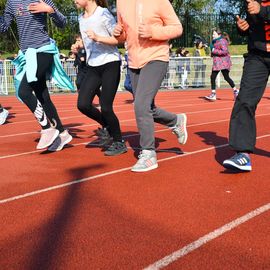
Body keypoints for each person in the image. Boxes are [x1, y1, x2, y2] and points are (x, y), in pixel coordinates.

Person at [113, 0, 188, 172]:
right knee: (147, 107)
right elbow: (123, 35)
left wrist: (152, 31)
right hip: (133, 61)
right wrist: (118, 33)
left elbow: (177, 28)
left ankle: (148, 153)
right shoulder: (121, 2)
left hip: (156, 57)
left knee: (140, 105)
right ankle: (176, 120)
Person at [0, 0, 74, 151]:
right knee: (42, 96)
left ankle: (47, 128)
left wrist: (49, 10)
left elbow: (62, 22)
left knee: (24, 91)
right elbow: (3, 27)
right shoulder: (11, 3)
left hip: (44, 50)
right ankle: (62, 133)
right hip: (28, 56)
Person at [74, 0, 127, 156]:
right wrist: (79, 46)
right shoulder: (80, 19)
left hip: (110, 63)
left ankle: (119, 142)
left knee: (106, 106)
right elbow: (88, 42)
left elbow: (119, 40)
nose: (74, 0)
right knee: (83, 104)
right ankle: (108, 127)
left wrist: (98, 37)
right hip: (93, 65)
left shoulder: (103, 13)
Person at [223, 0, 270, 172]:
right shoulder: (252, 2)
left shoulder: (259, 6)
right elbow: (255, 26)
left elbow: (263, 14)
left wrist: (262, 11)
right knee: (244, 101)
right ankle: (242, 153)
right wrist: (243, 27)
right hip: (257, 56)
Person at [205, 28, 239, 101]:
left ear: (219, 34)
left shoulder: (222, 41)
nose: (212, 35)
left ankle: (236, 91)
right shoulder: (214, 42)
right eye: (212, 34)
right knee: (213, 77)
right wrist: (210, 52)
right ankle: (214, 94)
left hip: (223, 62)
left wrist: (214, 50)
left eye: (214, 34)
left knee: (226, 77)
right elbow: (215, 52)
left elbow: (224, 51)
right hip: (218, 62)